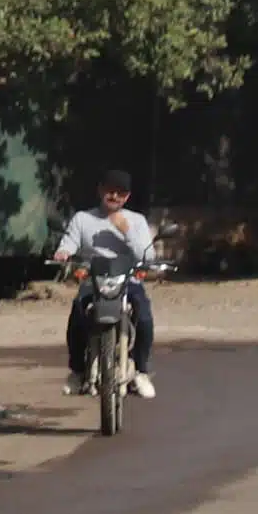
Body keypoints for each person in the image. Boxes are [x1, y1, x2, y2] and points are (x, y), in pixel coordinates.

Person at [52, 169, 158, 398]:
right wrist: (63, 253)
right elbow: (69, 242)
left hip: (127, 280)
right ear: (100, 191)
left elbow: (147, 257)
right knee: (78, 315)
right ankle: (78, 371)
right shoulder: (83, 219)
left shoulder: (136, 221)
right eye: (110, 191)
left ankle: (141, 371)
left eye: (120, 193)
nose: (114, 197)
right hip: (94, 280)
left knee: (145, 319)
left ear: (127, 197)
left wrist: (126, 232)